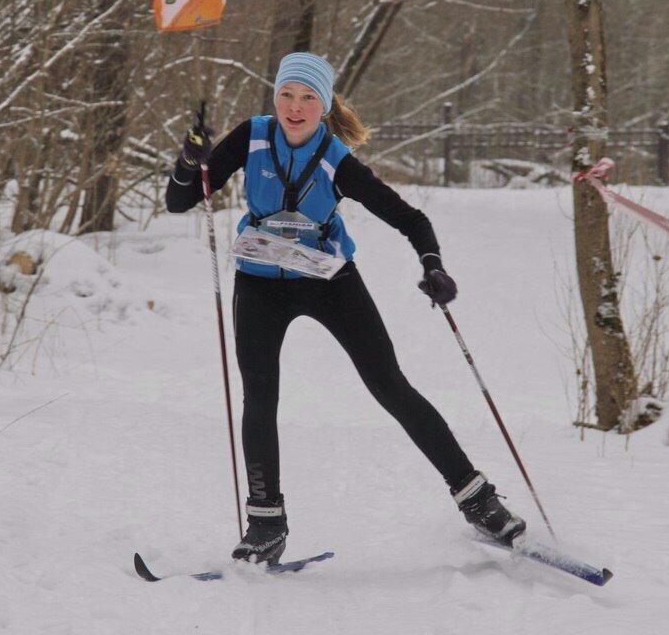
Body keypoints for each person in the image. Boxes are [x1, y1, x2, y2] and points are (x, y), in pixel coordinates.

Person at [166, 51, 526, 564]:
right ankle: (266, 524)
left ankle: (479, 502)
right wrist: (190, 162)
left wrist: (433, 265)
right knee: (260, 396)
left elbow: (411, 219)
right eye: (287, 94)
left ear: (324, 104)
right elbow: (181, 200)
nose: (295, 107)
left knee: (390, 385)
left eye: (308, 97)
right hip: (261, 282)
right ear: (275, 97)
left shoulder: (336, 159)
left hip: (329, 280)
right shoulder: (254, 136)